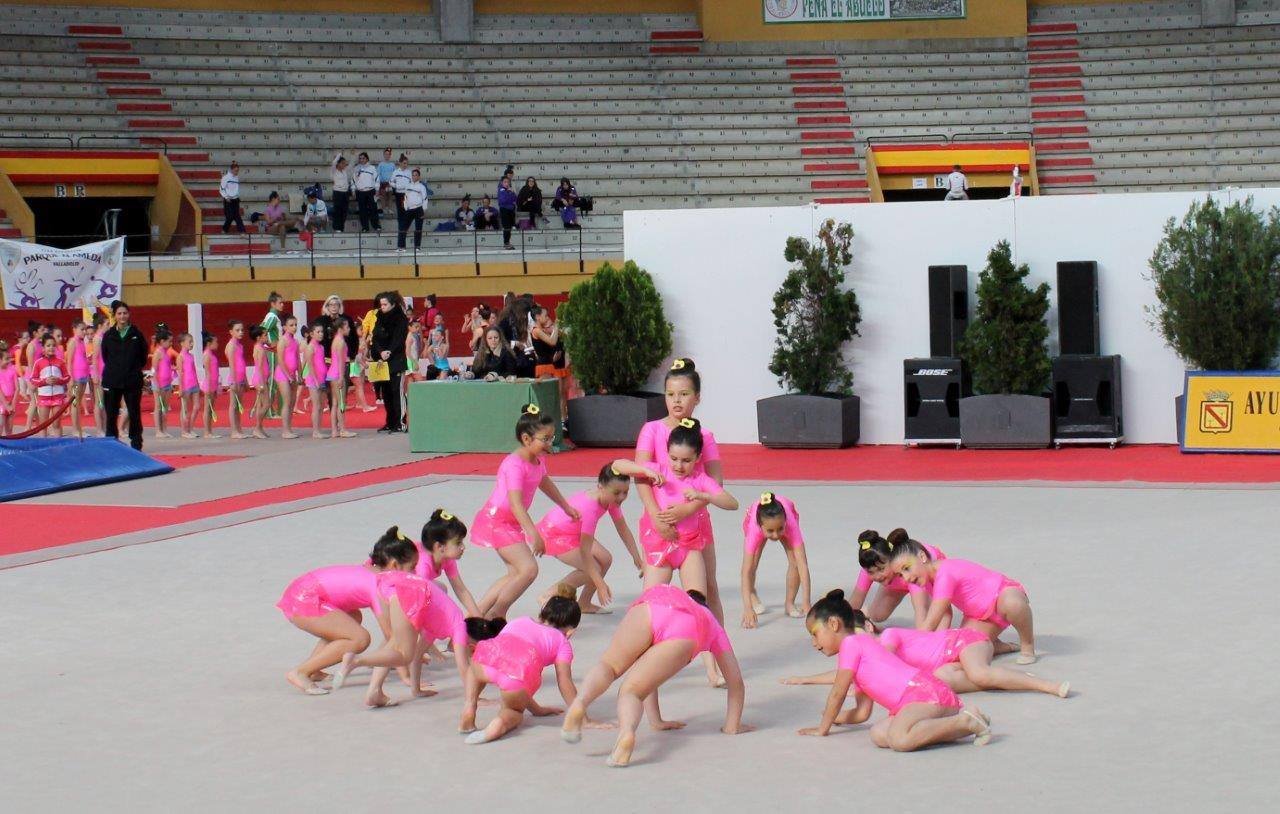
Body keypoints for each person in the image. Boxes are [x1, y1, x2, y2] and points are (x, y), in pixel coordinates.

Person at [561, 585, 752, 767]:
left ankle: (580, 702)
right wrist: (732, 725)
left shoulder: (672, 592)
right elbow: (735, 681)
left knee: (609, 665)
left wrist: (656, 721)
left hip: (651, 606)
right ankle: (626, 733)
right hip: (688, 630)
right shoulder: (710, 621)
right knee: (632, 691)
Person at [783, 590, 991, 751]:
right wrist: (837, 718)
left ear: (834, 624)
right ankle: (965, 724)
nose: (814, 642)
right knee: (879, 735)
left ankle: (965, 720)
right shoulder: (860, 652)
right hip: (918, 700)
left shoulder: (851, 645)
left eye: (815, 633)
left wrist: (823, 728)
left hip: (925, 694)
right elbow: (862, 713)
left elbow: (837, 693)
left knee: (899, 739)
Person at [634, 358, 728, 686]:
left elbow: (716, 483)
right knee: (654, 596)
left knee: (707, 591)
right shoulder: (652, 430)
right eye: (671, 393)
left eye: (685, 394)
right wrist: (656, 519)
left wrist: (691, 509)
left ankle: (714, 663)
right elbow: (642, 477)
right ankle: (647, 660)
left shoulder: (707, 436)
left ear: (697, 398)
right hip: (658, 525)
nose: (677, 401)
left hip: (695, 524)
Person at [471, 405, 579, 619]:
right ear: (527, 439)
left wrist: (566, 507)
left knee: (515, 574)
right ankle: (495, 616)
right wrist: (533, 534)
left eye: (552, 437)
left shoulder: (537, 461)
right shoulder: (514, 464)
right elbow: (516, 504)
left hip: (509, 523)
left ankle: (472, 617)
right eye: (545, 439)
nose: (550, 443)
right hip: (496, 521)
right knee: (528, 569)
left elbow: (545, 483)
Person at [612, 419, 739, 601]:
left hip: (689, 547)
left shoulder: (700, 480)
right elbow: (617, 465)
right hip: (660, 544)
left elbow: (732, 503)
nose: (679, 466)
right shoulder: (660, 470)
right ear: (667, 453)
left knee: (697, 602)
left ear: (698, 457)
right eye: (674, 459)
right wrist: (645, 471)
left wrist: (704, 496)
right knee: (651, 602)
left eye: (686, 461)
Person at [275, 533, 415, 696]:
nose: (414, 572)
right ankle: (300, 672)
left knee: (354, 617)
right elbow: (392, 636)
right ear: (394, 565)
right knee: (360, 639)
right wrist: (406, 671)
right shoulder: (377, 585)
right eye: (412, 567)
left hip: (302, 592)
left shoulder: (372, 568)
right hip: (302, 599)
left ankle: (314, 670)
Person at [462, 589, 591, 744]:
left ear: (541, 615)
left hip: (486, 659)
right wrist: (581, 716)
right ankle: (498, 725)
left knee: (474, 668)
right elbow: (565, 682)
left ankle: (470, 706)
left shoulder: (521, 620)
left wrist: (538, 710)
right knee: (513, 711)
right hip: (517, 675)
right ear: (570, 631)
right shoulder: (562, 643)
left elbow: (506, 651)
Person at [889, 540, 1037, 663]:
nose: (906, 578)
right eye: (900, 575)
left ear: (922, 557)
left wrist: (911, 645)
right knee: (960, 650)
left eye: (907, 568)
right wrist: (940, 643)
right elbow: (945, 614)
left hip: (1002, 597)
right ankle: (998, 646)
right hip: (980, 617)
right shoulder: (928, 581)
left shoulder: (944, 573)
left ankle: (1027, 645)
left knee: (1014, 604)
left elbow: (932, 620)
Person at [536, 464, 643, 615]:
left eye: (625, 492)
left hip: (574, 532)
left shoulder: (610, 499)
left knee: (605, 559)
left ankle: (584, 603)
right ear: (600, 487)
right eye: (617, 492)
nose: (621, 497)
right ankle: (550, 594)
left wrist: (636, 557)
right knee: (593, 570)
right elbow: (585, 552)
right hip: (555, 534)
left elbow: (623, 528)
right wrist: (600, 585)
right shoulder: (590, 510)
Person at [740, 491, 811, 627]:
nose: (776, 535)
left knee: (795, 562)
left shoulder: (790, 525)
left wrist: (806, 602)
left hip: (786, 518)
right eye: (770, 531)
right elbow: (746, 571)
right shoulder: (754, 530)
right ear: (761, 527)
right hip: (757, 522)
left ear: (785, 522)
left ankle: (789, 603)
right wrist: (747, 608)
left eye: (780, 529)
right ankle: (752, 593)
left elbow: (803, 564)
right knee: (753, 562)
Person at [850, 528, 946, 627]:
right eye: (871, 572)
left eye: (881, 569)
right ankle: (866, 611)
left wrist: (920, 639)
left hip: (927, 577)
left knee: (933, 619)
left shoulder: (910, 572)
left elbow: (921, 609)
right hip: (895, 579)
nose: (877, 576)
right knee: (877, 615)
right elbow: (856, 600)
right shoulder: (872, 564)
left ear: (892, 559)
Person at [100, 300, 148, 451]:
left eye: (125, 313)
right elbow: (105, 356)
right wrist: (116, 370)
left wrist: (131, 369)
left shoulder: (137, 334)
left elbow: (143, 356)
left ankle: (136, 444)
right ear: (114, 316)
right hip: (112, 381)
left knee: (134, 413)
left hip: (132, 381)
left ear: (129, 314)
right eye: (119, 313)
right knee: (111, 414)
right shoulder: (108, 335)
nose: (122, 316)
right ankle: (112, 445)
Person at [370, 290, 408, 432]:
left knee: (396, 392)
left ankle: (400, 422)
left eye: (385, 304)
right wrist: (380, 352)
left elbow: (399, 338)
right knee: (385, 393)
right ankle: (390, 421)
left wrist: (389, 351)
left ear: (393, 305)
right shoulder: (379, 317)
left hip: (396, 360)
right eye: (381, 305)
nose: (382, 307)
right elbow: (375, 337)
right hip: (381, 360)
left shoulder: (401, 319)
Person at [31, 336, 68, 438]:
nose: (51, 348)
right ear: (43, 348)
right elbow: (33, 379)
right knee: (43, 425)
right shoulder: (38, 363)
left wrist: (59, 380)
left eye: (53, 345)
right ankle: (43, 448)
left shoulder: (61, 362)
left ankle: (58, 447)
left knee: (57, 424)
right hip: (44, 397)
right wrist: (44, 381)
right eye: (48, 345)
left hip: (58, 397)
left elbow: (67, 377)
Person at [327, 317, 355, 439]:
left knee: (335, 403)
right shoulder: (341, 342)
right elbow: (341, 362)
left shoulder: (335, 340)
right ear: (340, 329)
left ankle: (334, 430)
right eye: (347, 327)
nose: (349, 329)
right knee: (341, 403)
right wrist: (341, 377)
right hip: (338, 374)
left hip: (332, 373)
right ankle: (342, 429)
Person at [259, 291, 285, 418]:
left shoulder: (273, 316)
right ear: (273, 304)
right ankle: (268, 411)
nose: (282, 304)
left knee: (274, 381)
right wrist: (269, 343)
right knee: (273, 381)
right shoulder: (272, 317)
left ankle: (271, 410)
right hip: (273, 352)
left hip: (274, 351)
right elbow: (262, 330)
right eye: (280, 303)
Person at [66, 320, 91, 439]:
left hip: (83, 375)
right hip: (76, 377)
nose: (84, 332)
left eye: (85, 329)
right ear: (74, 329)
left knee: (79, 402)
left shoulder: (82, 342)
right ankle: (75, 429)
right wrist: (70, 378)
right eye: (82, 329)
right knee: (75, 403)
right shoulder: (72, 342)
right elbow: (69, 362)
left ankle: (78, 427)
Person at [302, 322, 327, 438]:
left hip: (322, 378)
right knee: (316, 406)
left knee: (321, 406)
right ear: (311, 334)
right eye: (318, 332)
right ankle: (315, 431)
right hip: (313, 380)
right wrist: (316, 380)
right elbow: (310, 365)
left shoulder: (321, 347)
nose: (321, 334)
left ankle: (319, 429)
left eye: (322, 332)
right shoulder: (310, 347)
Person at [225, 320, 248, 439]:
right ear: (231, 332)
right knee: (233, 405)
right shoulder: (231, 346)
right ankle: (234, 431)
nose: (240, 332)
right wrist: (234, 381)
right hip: (234, 379)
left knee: (239, 406)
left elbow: (242, 363)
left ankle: (239, 429)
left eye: (242, 330)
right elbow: (232, 365)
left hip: (241, 378)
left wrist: (246, 380)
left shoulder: (240, 345)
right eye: (237, 330)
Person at [150, 328, 175, 439]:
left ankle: (164, 429)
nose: (171, 343)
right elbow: (154, 370)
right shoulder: (158, 353)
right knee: (158, 407)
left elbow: (166, 367)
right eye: (169, 341)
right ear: (162, 342)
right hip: (158, 384)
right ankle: (158, 430)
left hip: (167, 383)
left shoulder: (166, 353)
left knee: (164, 407)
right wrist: (157, 384)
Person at [248, 326, 271, 440]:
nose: (267, 337)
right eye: (265, 335)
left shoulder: (259, 347)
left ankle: (259, 428)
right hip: (260, 379)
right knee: (266, 404)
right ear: (258, 338)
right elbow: (261, 367)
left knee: (261, 405)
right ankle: (257, 427)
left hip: (261, 378)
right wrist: (262, 383)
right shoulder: (260, 349)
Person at [397, 168, 428, 250]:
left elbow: (425, 199)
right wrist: (405, 207)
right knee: (403, 228)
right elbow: (405, 197)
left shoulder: (422, 187)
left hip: (418, 209)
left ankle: (417, 247)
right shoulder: (408, 186)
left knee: (418, 229)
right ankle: (401, 247)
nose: (414, 177)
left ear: (419, 177)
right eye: (413, 175)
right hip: (409, 209)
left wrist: (424, 210)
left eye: (416, 175)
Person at [176, 332, 199, 439]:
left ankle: (190, 428)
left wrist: (198, 383)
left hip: (194, 384)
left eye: (192, 341)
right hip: (186, 385)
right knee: (185, 408)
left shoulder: (191, 356)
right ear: (182, 343)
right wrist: (180, 388)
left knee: (197, 406)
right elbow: (180, 373)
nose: (192, 344)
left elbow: (194, 370)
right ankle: (184, 430)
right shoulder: (180, 357)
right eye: (189, 342)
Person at [200, 331, 221, 439]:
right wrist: (209, 387)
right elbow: (208, 372)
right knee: (208, 408)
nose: (217, 344)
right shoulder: (207, 355)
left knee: (211, 408)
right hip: (209, 383)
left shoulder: (211, 354)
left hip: (213, 383)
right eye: (215, 342)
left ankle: (209, 430)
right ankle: (207, 432)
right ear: (209, 343)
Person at [353, 151, 380, 231]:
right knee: (362, 211)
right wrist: (353, 190)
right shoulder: (356, 169)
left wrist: (377, 189)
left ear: (367, 159)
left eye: (363, 158)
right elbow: (353, 181)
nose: (361, 160)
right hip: (360, 192)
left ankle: (376, 226)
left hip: (371, 191)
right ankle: (365, 227)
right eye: (360, 158)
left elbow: (376, 179)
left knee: (373, 209)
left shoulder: (372, 168)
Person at [220, 161, 244, 233]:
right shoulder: (225, 178)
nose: (237, 172)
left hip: (235, 199)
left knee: (237, 216)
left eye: (238, 170)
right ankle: (224, 229)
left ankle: (242, 231)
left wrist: (237, 195)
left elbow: (235, 188)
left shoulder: (236, 177)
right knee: (230, 216)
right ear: (232, 170)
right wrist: (226, 197)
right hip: (228, 200)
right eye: (236, 170)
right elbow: (221, 189)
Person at [329, 154, 351, 232]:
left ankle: (341, 227)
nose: (344, 164)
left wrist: (352, 153)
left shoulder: (345, 171)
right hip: (338, 192)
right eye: (343, 163)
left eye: (345, 163)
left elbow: (352, 164)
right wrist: (339, 155)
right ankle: (336, 227)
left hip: (345, 192)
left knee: (344, 211)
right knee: (337, 210)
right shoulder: (334, 171)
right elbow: (333, 163)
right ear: (338, 163)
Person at [0, 341, 17, 436]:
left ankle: (9, 448)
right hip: (2, 403)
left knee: (9, 429)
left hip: (11, 402)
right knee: (0, 426)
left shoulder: (12, 371)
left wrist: (13, 404)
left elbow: (17, 389)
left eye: (9, 358)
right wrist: (6, 405)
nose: (9, 361)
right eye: (7, 359)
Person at [497, 176, 518, 249]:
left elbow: (515, 198)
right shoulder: (501, 190)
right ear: (502, 183)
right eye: (505, 182)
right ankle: (506, 243)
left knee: (509, 227)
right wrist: (510, 195)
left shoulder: (509, 190)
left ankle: (508, 242)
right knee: (506, 227)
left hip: (510, 210)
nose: (506, 184)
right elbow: (504, 200)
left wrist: (511, 193)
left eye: (508, 182)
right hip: (504, 210)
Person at [391, 153, 412, 224]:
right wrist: (397, 186)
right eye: (404, 163)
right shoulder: (395, 172)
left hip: (406, 194)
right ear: (400, 163)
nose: (405, 165)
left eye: (407, 163)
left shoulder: (409, 172)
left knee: (406, 210)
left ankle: (405, 226)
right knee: (400, 211)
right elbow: (391, 182)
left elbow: (412, 183)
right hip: (399, 194)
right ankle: (401, 227)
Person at [376, 147, 397, 214]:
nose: (387, 156)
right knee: (383, 196)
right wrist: (382, 182)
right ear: (384, 155)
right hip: (383, 183)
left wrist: (391, 182)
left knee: (390, 196)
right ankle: (384, 208)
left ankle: (389, 209)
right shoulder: (381, 164)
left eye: (388, 154)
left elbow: (394, 174)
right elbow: (378, 174)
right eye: (386, 154)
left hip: (390, 183)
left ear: (390, 155)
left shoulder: (392, 164)